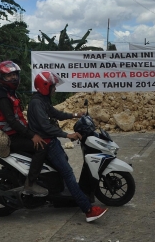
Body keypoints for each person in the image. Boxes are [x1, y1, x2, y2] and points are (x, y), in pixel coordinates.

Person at [27, 70, 108, 223]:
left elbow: (56, 114)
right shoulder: (37, 103)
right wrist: (67, 135)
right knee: (68, 173)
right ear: (45, 87)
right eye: (53, 86)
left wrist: (75, 115)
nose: (55, 89)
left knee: (64, 161)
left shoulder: (42, 101)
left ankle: (61, 193)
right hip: (48, 143)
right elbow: (46, 127)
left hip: (50, 141)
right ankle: (88, 210)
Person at [0, 61, 48, 196]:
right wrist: (31, 135)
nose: (13, 78)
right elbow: (12, 121)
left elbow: (19, 119)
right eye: (8, 76)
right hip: (12, 136)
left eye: (14, 75)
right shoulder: (4, 97)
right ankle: (30, 184)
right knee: (42, 147)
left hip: (17, 133)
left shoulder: (11, 93)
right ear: (1, 78)